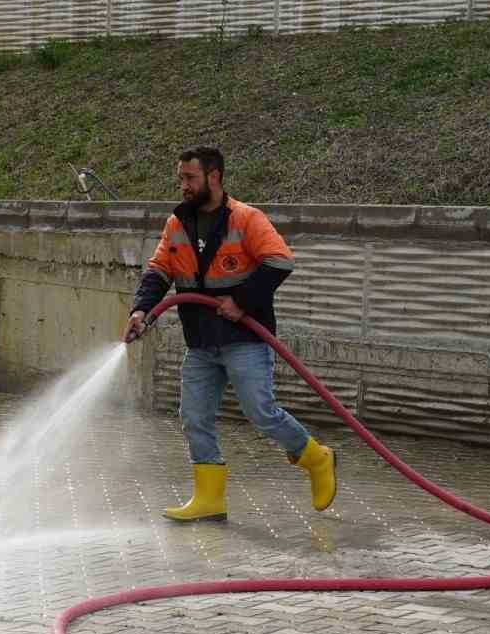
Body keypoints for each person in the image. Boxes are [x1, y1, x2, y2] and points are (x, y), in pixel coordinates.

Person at [123, 147, 336, 521]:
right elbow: (159, 270)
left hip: (245, 340)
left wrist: (240, 301)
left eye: (190, 178)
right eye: (181, 178)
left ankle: (316, 458)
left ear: (214, 177)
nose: (183, 186)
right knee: (194, 417)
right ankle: (209, 499)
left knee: (261, 412)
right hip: (202, 343)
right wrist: (142, 310)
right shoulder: (177, 224)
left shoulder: (246, 219)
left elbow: (280, 260)